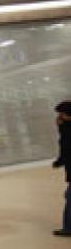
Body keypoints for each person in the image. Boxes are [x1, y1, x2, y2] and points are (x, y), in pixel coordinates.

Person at [53, 101, 71, 237]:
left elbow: (66, 150)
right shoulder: (66, 128)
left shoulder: (67, 130)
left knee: (69, 198)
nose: (59, 117)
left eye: (62, 114)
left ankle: (68, 228)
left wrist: (59, 162)